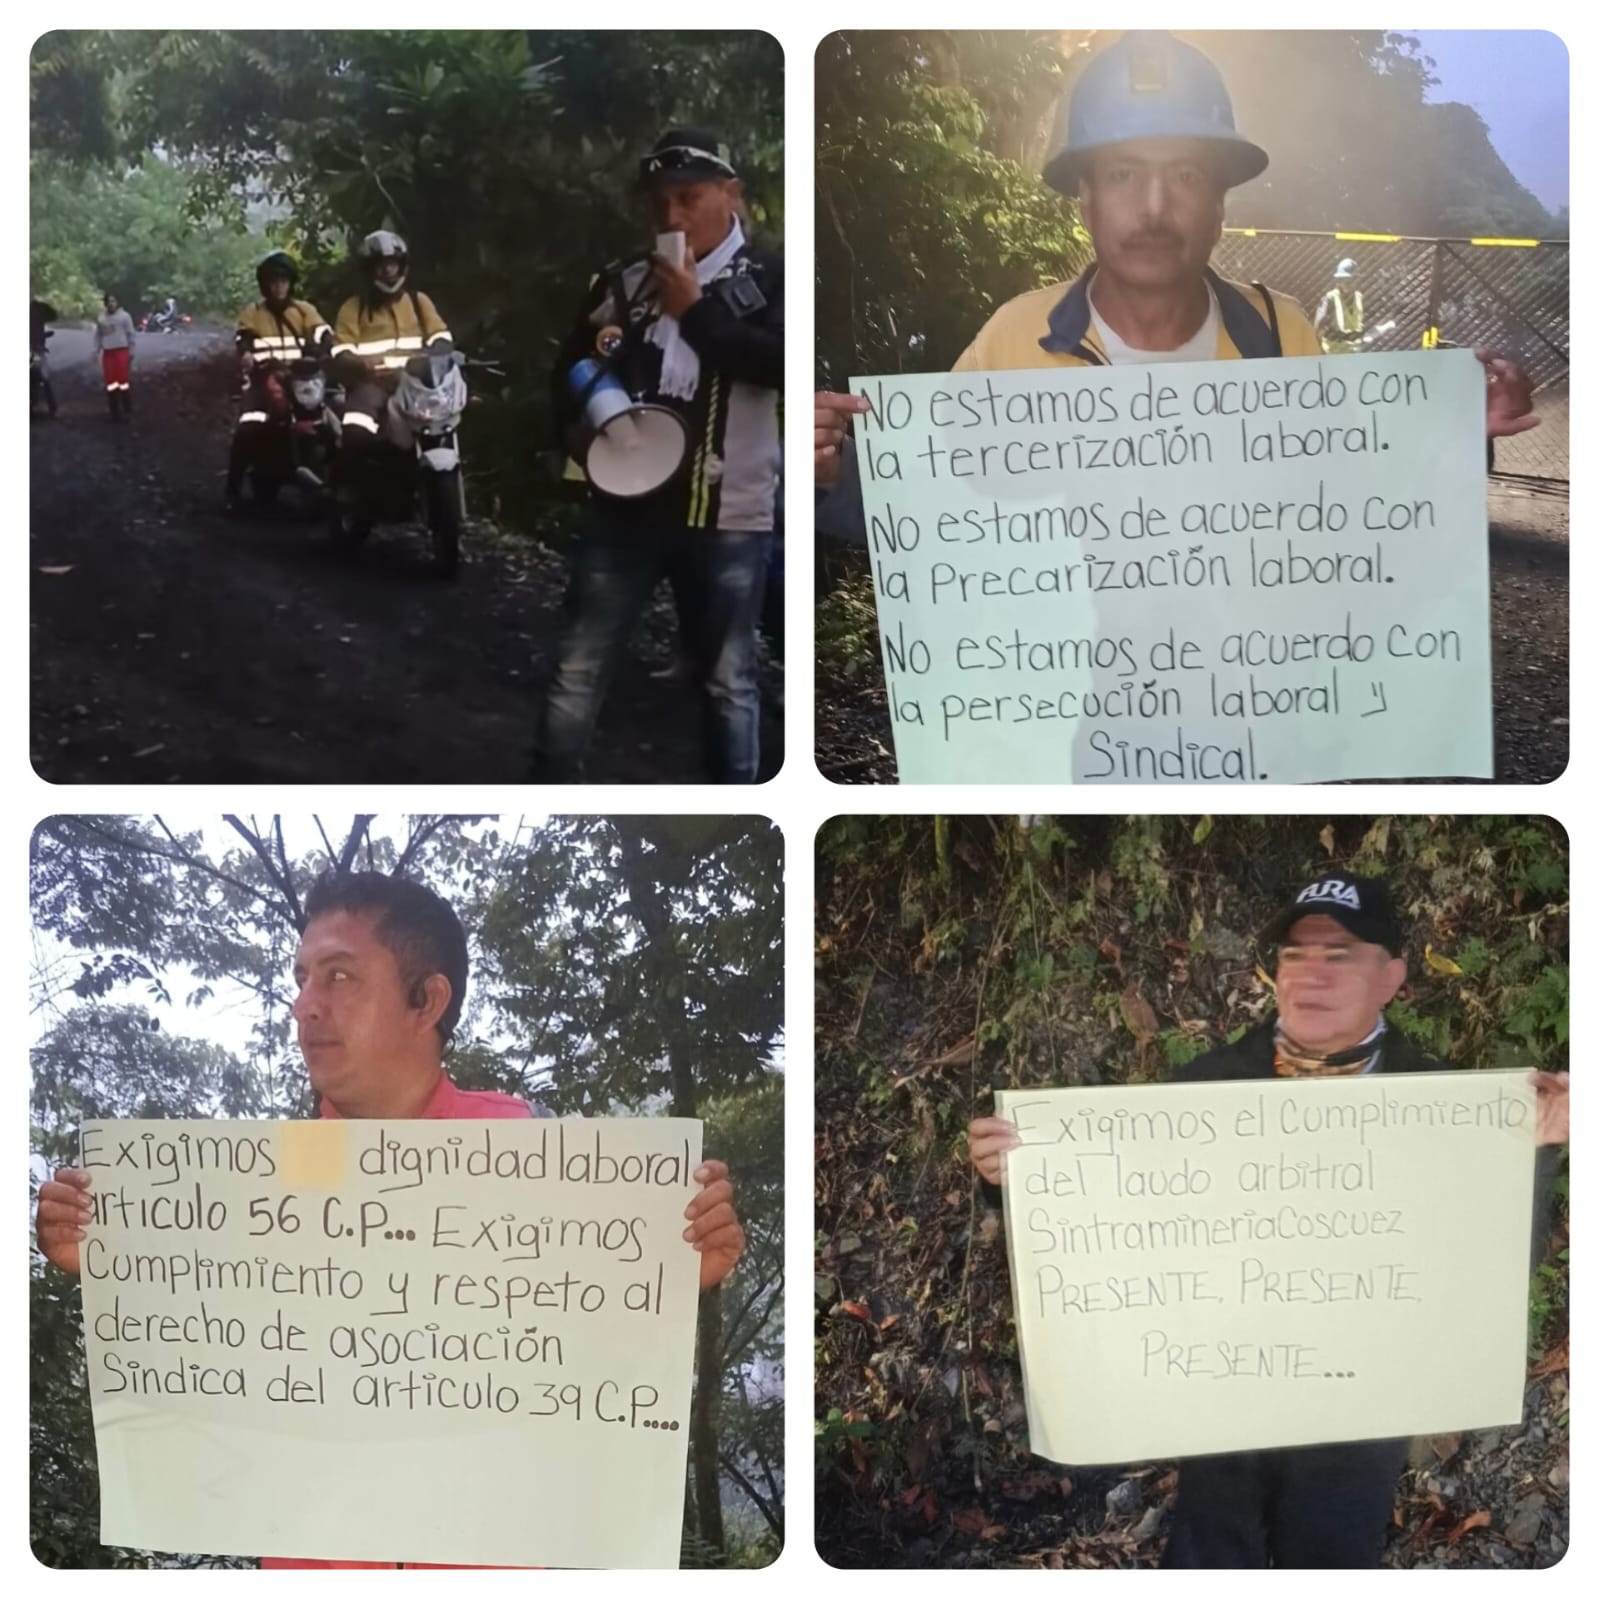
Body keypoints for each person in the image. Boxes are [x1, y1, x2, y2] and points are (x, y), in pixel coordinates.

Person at [35, 870, 746, 1571]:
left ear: (426, 999)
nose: (304, 1005)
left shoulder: (535, 1157)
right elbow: (213, 1383)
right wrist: (108, 1271)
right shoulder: (261, 1188)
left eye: (338, 977)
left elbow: (581, 1360)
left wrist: (676, 1274)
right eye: (302, 977)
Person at [967, 872, 1570, 1569]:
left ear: (1391, 974)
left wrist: (1539, 1150)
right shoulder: (1201, 1089)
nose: (1311, 972)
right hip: (1221, 1405)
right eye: (1293, 953)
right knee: (1208, 1555)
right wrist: (1012, 1181)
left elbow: (1491, 1270)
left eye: (1339, 953)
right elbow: (1106, 1234)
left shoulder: (1449, 1108)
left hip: (1359, 1408)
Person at [815, 31, 1539, 528]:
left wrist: (1452, 436)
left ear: (1220, 202)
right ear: (1086, 200)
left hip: (1249, 704)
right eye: (1124, 175)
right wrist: (836, 471)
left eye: (1185, 175)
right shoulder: (1014, 336)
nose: (1154, 209)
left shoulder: (1279, 332)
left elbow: (1337, 504)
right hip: (1064, 702)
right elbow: (936, 511)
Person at [534, 127, 783, 784]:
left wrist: (696, 312)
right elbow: (569, 369)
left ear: (730, 194)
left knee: (729, 682)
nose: (671, 217)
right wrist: (585, 433)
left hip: (728, 513)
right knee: (577, 667)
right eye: (659, 203)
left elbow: (779, 364)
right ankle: (550, 785)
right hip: (624, 510)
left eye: (688, 198)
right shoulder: (622, 283)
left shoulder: (772, 278)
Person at [328, 230, 452, 486]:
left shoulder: (419, 302)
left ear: (402, 266)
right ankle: (349, 494)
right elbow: (341, 348)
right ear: (370, 270)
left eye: (392, 265)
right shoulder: (354, 307)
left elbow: (441, 336)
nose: (387, 271)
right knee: (356, 430)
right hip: (371, 384)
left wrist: (440, 351)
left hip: (415, 385)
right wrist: (358, 362)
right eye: (381, 266)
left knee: (443, 423)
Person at [225, 250, 334, 511]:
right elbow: (243, 337)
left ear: (291, 283)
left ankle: (338, 488)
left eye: (283, 281)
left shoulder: (304, 310)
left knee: (334, 416)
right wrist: (248, 354)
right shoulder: (253, 312)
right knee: (247, 427)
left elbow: (322, 330)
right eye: (274, 281)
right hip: (264, 381)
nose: (279, 286)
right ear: (265, 284)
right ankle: (232, 491)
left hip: (302, 381)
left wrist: (325, 345)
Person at [93, 292, 136, 421]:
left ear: (117, 303)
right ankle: (114, 410)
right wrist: (96, 350)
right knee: (110, 382)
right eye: (109, 301)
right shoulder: (101, 318)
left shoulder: (124, 316)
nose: (111, 304)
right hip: (108, 352)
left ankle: (127, 406)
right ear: (105, 303)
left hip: (121, 351)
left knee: (122, 380)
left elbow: (131, 334)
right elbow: (98, 336)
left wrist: (132, 349)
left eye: (114, 301)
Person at [1314, 256, 1365, 355]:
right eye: (1345, 280)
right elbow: (1318, 328)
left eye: (1352, 279)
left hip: (1354, 351)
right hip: (1333, 352)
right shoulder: (1330, 298)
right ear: (1339, 281)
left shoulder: (1359, 297)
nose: (1349, 283)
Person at [30, 297, 59, 419]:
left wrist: (41, 303)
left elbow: (53, 315)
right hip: (34, 348)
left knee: (42, 375)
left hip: (36, 349)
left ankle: (52, 407)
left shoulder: (37, 307)